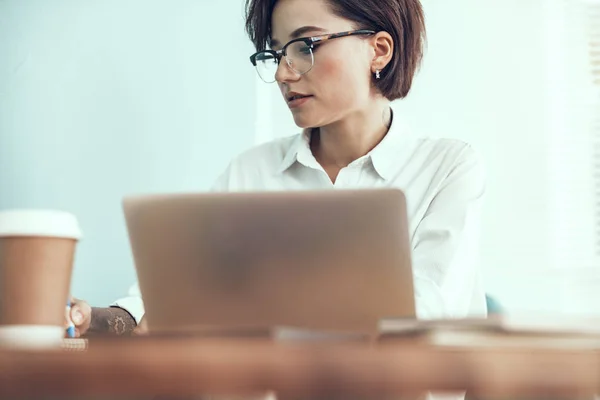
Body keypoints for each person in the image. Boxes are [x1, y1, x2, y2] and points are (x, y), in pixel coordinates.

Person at [69, 0, 487, 338]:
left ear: (378, 49)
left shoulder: (447, 168)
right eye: (277, 52)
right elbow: (171, 294)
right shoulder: (252, 172)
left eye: (305, 46)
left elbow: (429, 312)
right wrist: (104, 320)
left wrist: (247, 296)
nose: (285, 73)